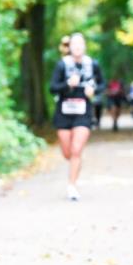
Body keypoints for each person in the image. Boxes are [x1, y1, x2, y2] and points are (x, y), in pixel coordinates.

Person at [49, 33, 104, 201]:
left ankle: (72, 186)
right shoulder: (62, 65)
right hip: (64, 113)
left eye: (80, 44)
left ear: (85, 46)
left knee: (76, 150)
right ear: (70, 47)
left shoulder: (92, 64)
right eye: (74, 44)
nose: (78, 47)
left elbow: (102, 83)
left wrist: (94, 90)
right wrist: (67, 84)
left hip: (83, 112)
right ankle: (74, 163)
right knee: (67, 153)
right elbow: (52, 87)